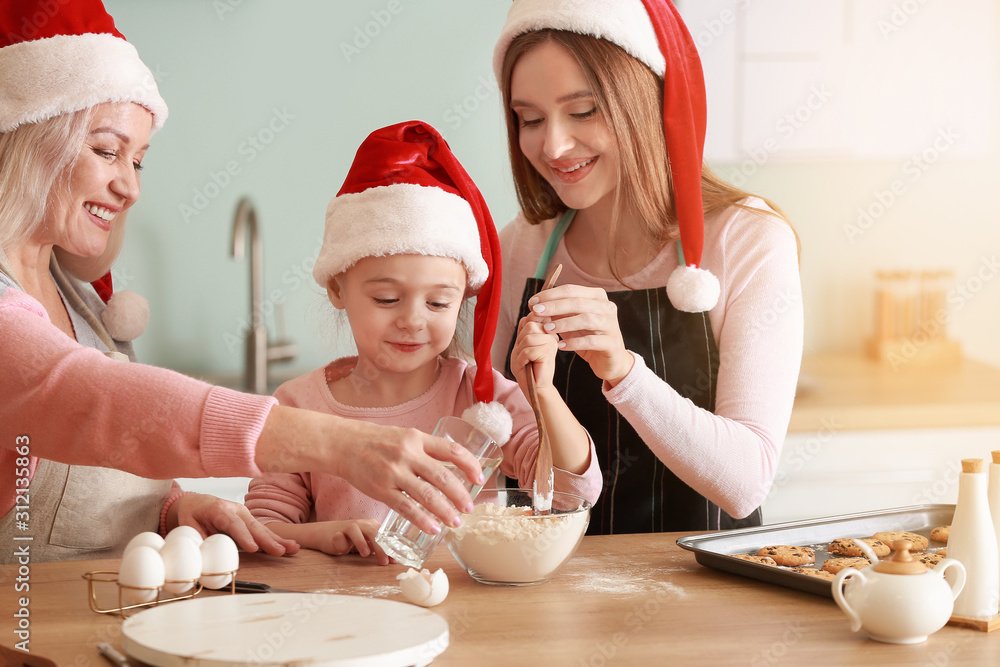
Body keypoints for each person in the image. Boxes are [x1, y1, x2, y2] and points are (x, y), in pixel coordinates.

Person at [0, 0, 482, 563]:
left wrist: (173, 509)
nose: (129, 188)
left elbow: (99, 467)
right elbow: (94, 401)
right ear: (30, 141)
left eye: (138, 162)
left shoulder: (77, 300)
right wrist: (341, 443)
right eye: (108, 151)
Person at [491, 0, 804, 534]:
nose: (554, 145)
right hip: (548, 597)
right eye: (530, 119)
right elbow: (492, 446)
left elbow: (744, 482)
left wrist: (622, 369)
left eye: (583, 111)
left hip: (707, 596)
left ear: (647, 101)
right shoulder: (523, 244)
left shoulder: (748, 240)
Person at [244, 121, 601, 561]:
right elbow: (261, 530)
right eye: (387, 298)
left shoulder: (482, 401)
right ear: (338, 288)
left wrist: (541, 392)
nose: (412, 321)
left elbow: (572, 491)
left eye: (437, 304)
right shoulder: (299, 406)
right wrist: (328, 535)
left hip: (463, 616)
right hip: (343, 617)